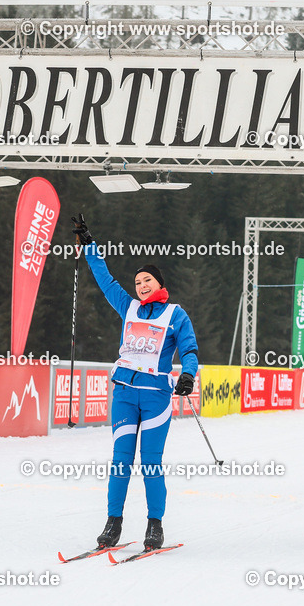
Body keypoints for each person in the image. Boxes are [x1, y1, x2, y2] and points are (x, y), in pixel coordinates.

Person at [72, 214, 199, 552]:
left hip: (156, 397)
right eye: (138, 282)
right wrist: (90, 246)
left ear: (159, 284)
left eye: (147, 281)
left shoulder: (175, 314)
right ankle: (113, 523)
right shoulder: (127, 307)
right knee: (120, 460)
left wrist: (188, 374)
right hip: (125, 395)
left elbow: (189, 349)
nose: (141, 286)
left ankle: (154, 526)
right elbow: (105, 280)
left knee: (151, 462)